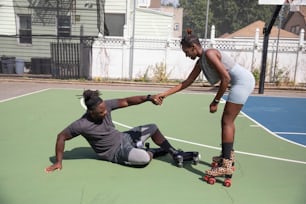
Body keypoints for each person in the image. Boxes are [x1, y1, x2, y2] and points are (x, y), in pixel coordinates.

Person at [153, 29, 255, 178]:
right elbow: (187, 82)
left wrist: (215, 101)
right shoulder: (201, 61)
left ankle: (226, 164)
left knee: (226, 121)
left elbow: (225, 78)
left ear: (194, 47)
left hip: (243, 82)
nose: (186, 55)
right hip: (240, 82)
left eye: (187, 51)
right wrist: (164, 94)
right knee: (228, 121)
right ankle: (228, 157)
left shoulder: (209, 54)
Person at [45, 89, 182, 173]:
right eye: (101, 111)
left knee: (152, 127)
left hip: (124, 137)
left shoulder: (106, 105)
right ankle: (151, 151)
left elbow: (127, 101)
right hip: (116, 152)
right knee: (144, 159)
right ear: (91, 112)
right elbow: (61, 137)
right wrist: (58, 161)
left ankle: (173, 152)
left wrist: (148, 97)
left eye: (105, 108)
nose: (106, 112)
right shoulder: (82, 125)